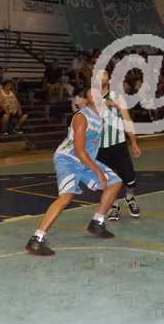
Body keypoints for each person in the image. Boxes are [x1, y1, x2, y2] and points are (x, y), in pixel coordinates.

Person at [25, 88, 123, 256]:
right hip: (69, 159)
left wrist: (115, 103)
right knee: (66, 197)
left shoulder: (102, 110)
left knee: (115, 182)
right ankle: (36, 239)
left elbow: (111, 103)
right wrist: (98, 172)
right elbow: (79, 151)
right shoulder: (81, 118)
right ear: (88, 100)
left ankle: (97, 223)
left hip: (86, 159)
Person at [98, 70, 143, 221]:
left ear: (108, 79)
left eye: (104, 75)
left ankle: (129, 197)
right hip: (99, 148)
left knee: (129, 178)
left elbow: (127, 120)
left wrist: (134, 142)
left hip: (118, 145)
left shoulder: (117, 96)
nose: (100, 78)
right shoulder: (91, 97)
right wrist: (106, 103)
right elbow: (87, 105)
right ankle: (114, 205)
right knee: (106, 180)